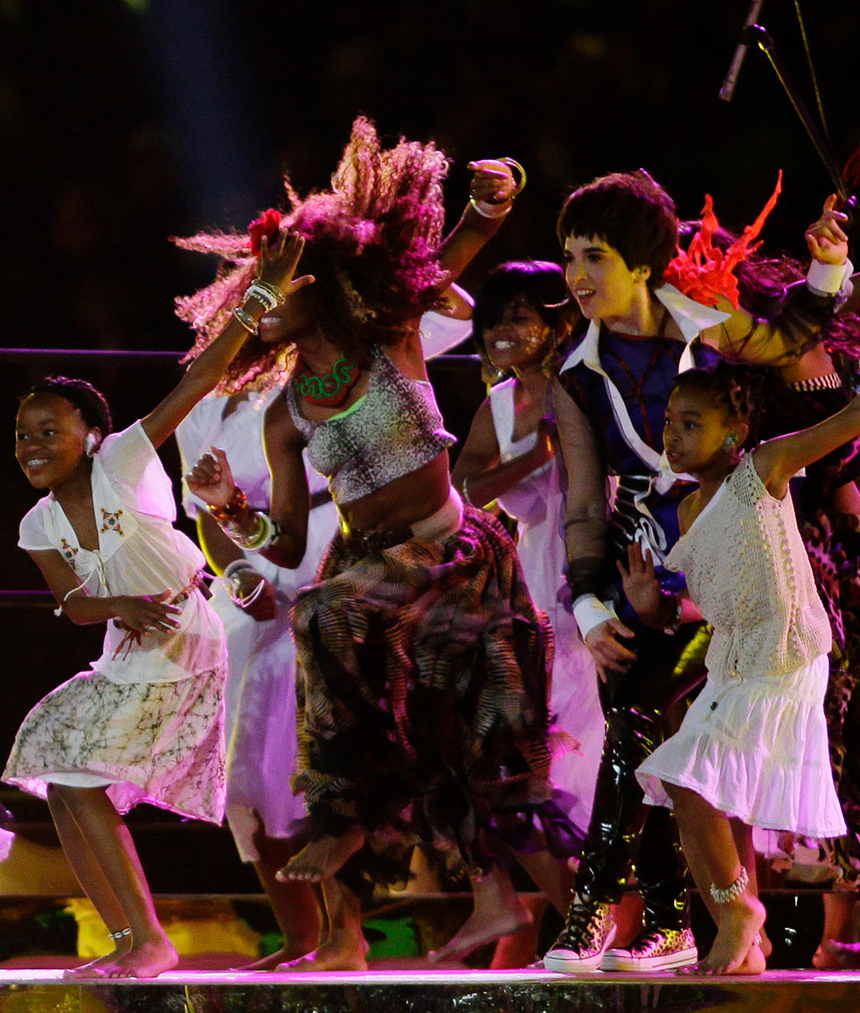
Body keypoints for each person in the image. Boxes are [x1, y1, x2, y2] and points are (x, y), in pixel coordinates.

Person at [181, 118, 563, 973]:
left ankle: (344, 812)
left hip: (450, 556)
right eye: (253, 295)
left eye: (274, 291)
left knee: (325, 614)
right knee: (430, 736)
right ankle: (492, 899)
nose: (260, 307)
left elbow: (451, 258)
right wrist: (230, 508)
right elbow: (282, 543)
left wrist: (487, 209)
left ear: (316, 285)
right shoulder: (285, 415)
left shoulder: (390, 330)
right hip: (374, 574)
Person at [544, 172, 850, 972]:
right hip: (655, 562)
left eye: (594, 256)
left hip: (746, 559)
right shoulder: (574, 373)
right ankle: (665, 919)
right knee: (642, 725)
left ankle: (610, 916)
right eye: (568, 257)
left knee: (660, 732)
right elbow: (582, 502)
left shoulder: (707, 326)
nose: (576, 277)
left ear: (643, 263)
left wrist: (827, 267)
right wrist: (588, 607)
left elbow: (788, 341)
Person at [2, 227, 309, 979]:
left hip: (183, 639)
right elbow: (71, 606)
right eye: (23, 436)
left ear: (92, 435)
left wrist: (259, 292)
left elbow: (199, 378)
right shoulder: (35, 522)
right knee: (59, 773)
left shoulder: (125, 462)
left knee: (78, 776)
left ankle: (149, 938)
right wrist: (115, 606)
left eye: (50, 430)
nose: (33, 445)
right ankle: (124, 940)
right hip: (125, 652)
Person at [623, 366, 853, 974]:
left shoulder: (761, 471)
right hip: (733, 664)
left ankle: (737, 913)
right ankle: (749, 942)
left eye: (691, 424)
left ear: (735, 433)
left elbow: (845, 423)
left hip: (781, 656)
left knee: (686, 777)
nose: (672, 436)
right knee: (708, 793)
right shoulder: (688, 510)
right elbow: (708, 599)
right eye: (670, 422)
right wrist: (655, 609)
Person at [447, 261, 602, 962]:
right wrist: (535, 452)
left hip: (599, 568)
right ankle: (577, 921)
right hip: (534, 587)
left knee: (592, 772)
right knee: (524, 771)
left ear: (555, 322)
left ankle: (601, 927)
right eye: (493, 320)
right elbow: (467, 488)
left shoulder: (592, 384)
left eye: (519, 316)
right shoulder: (499, 404)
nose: (503, 331)